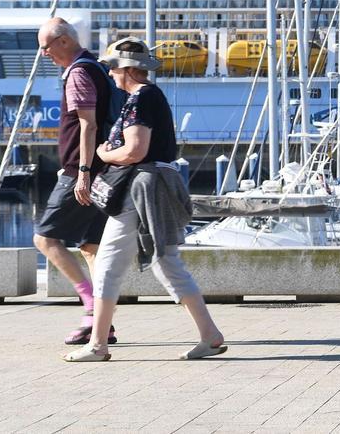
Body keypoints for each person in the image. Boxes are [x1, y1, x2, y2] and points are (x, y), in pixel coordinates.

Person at [62, 38, 225, 361]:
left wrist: (104, 152)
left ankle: (97, 345)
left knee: (108, 264)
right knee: (166, 262)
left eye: (111, 68)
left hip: (140, 188)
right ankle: (210, 334)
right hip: (152, 185)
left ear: (126, 69)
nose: (109, 74)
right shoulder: (148, 96)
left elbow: (136, 150)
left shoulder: (141, 98)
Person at [32, 17, 115, 346]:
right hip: (102, 171)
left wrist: (81, 172)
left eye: (46, 47)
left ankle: (92, 307)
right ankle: (102, 324)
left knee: (45, 240)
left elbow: (88, 125)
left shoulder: (79, 72)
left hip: (83, 172)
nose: (44, 54)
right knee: (91, 248)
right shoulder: (94, 64)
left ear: (64, 41)